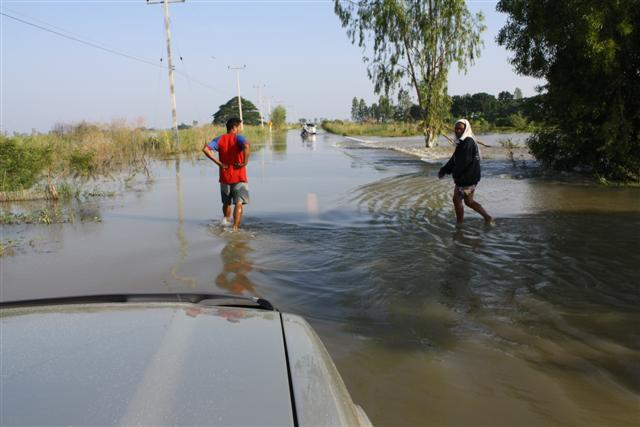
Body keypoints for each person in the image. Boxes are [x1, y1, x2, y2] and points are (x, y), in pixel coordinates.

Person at [438, 119, 493, 225]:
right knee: (468, 202)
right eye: (456, 128)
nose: (458, 131)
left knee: (457, 200)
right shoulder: (463, 142)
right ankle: (487, 218)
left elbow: (464, 162)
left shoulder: (468, 142)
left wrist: (453, 173)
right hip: (469, 178)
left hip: (467, 179)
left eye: (460, 129)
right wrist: (444, 170)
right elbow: (454, 159)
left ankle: (459, 224)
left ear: (466, 129)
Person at [203, 117, 250, 231]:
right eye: (240, 126)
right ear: (235, 127)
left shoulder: (219, 139)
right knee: (239, 202)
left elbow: (205, 149)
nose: (240, 129)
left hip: (224, 177)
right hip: (239, 176)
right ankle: (234, 228)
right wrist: (245, 162)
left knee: (226, 203)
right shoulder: (239, 138)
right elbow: (246, 146)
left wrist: (219, 163)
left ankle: (225, 222)